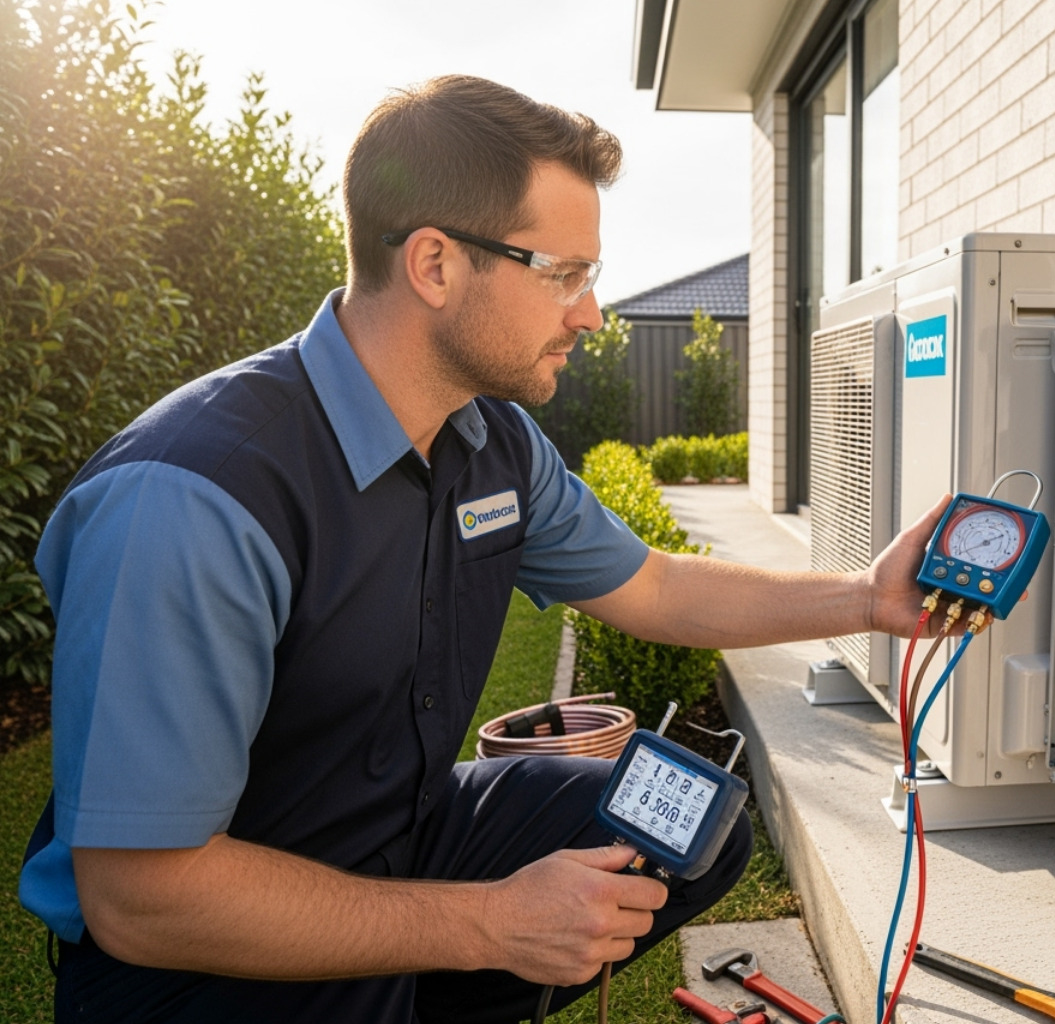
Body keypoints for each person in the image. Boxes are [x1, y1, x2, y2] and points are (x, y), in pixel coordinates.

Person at [19, 75, 944, 1023]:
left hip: (396, 833)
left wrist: (868, 599)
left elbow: (654, 586)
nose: (590, 314)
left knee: (692, 828)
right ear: (435, 265)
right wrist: (491, 923)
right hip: (196, 961)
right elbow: (144, 899)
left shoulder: (488, 442)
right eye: (565, 273)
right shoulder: (194, 498)